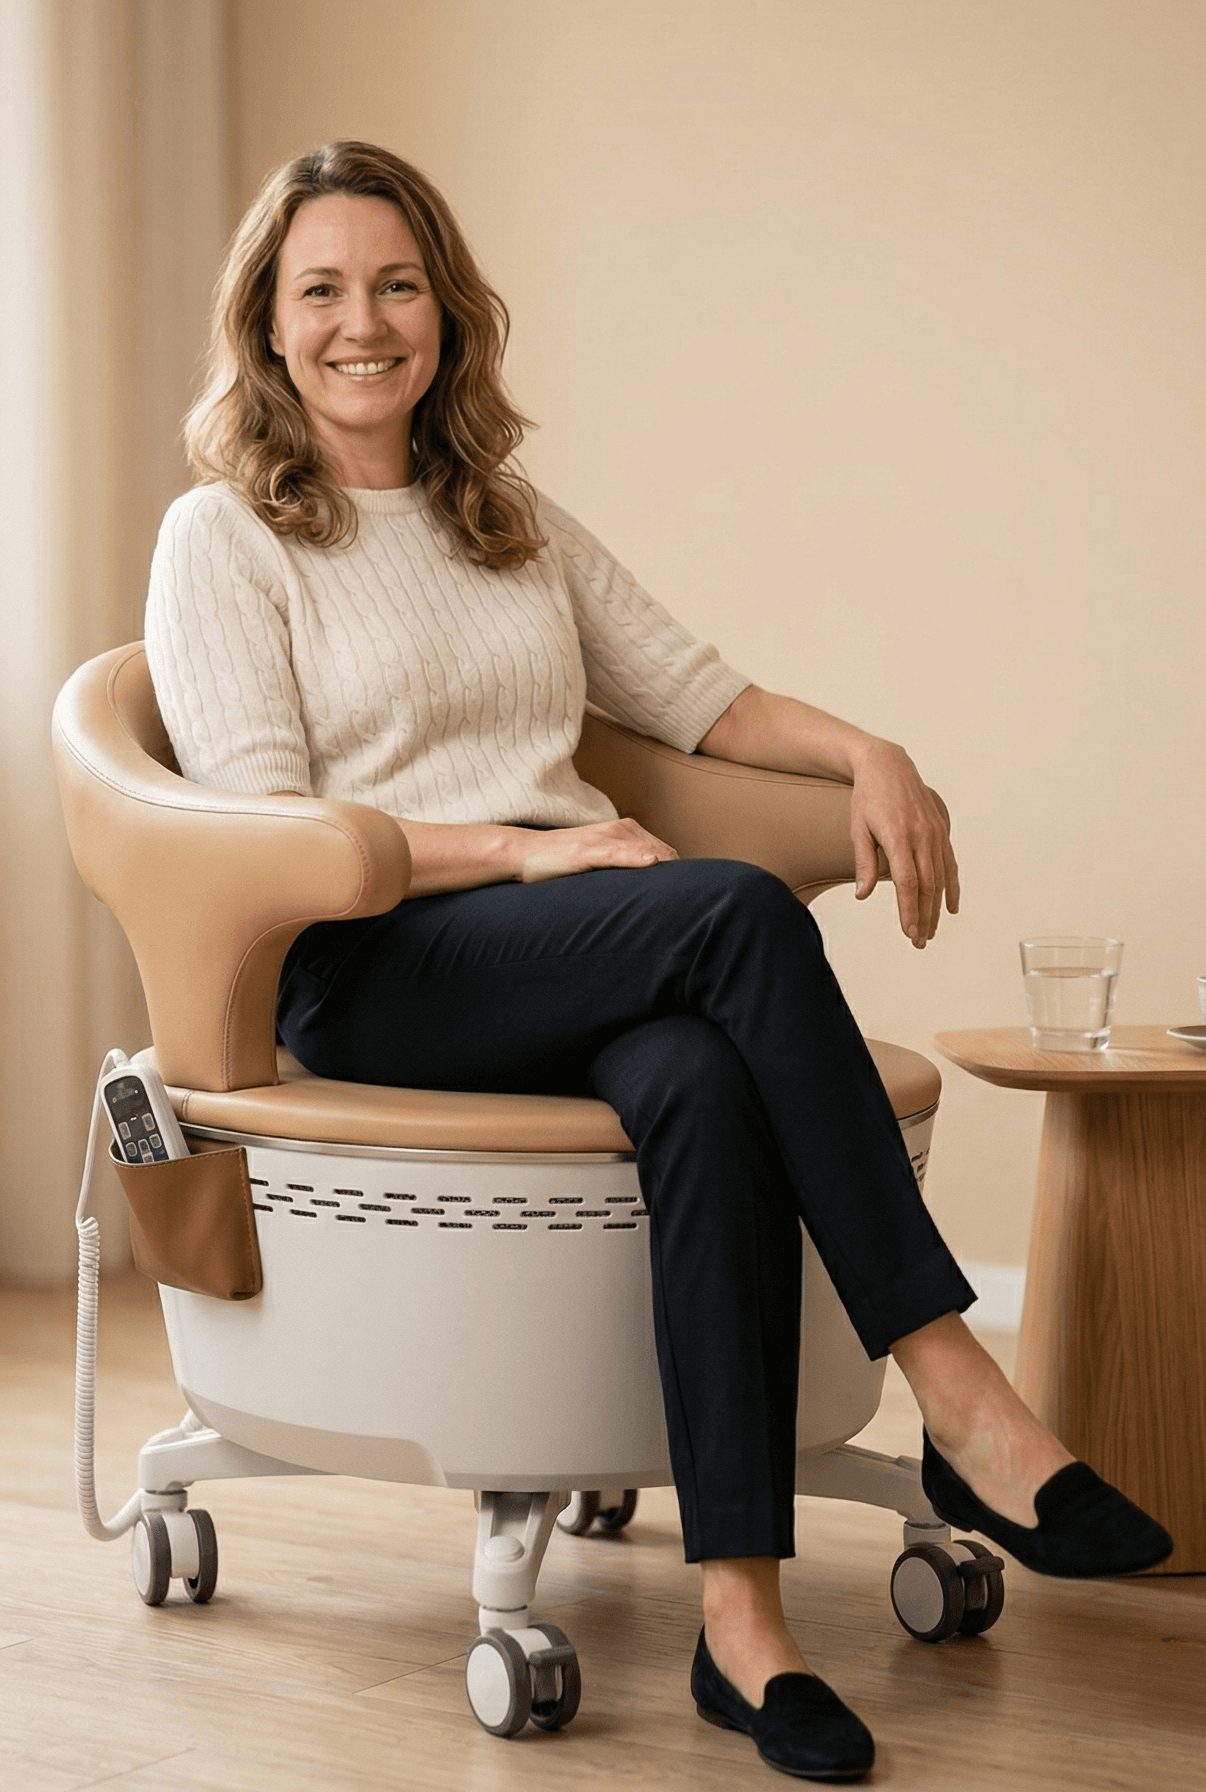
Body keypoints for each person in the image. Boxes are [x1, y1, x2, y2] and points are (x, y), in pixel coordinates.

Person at [144, 141, 1170, 1782]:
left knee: (696, 1080)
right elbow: (278, 837)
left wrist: (869, 750)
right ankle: (959, 1385)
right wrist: (535, 850)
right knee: (730, 909)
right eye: (320, 290)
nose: (363, 322)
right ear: (265, 327)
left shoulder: (504, 519)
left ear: (446, 311)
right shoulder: (226, 538)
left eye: (396, 283)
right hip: (375, 957)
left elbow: (697, 697)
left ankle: (740, 1627)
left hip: (559, 943)